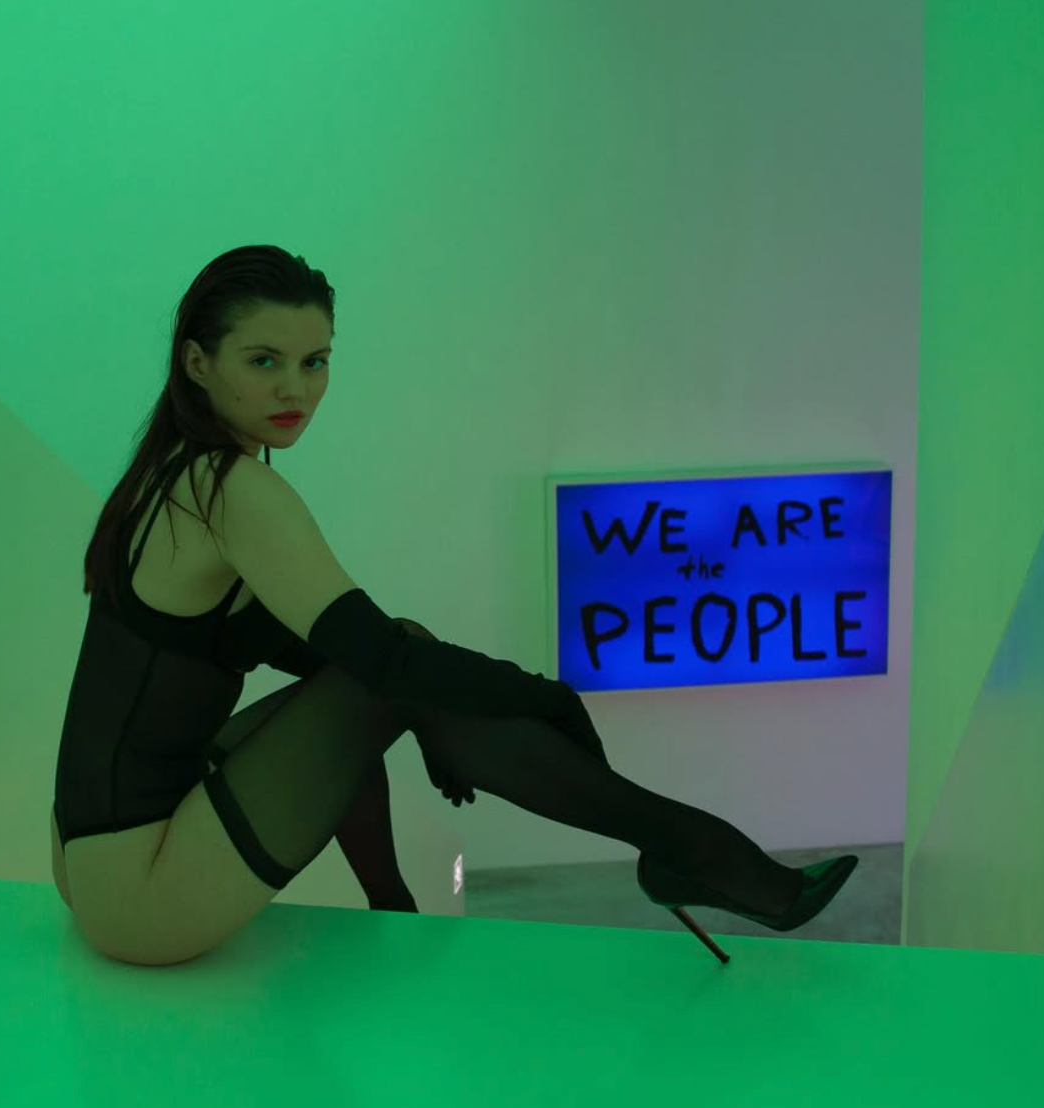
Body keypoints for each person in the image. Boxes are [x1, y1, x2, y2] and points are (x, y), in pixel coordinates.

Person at [57, 246, 856, 967]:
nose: (295, 389)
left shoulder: (170, 472)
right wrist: (546, 695)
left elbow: (334, 657)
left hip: (90, 852)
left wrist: (432, 714)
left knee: (384, 677)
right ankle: (696, 849)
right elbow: (383, 663)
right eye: (263, 360)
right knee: (390, 672)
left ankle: (401, 911)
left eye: (315, 361)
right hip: (139, 892)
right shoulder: (234, 492)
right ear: (197, 362)